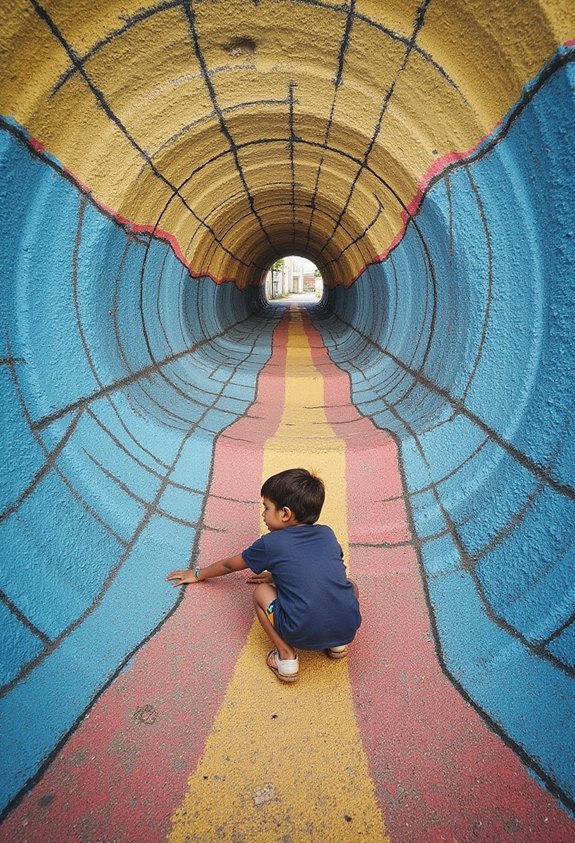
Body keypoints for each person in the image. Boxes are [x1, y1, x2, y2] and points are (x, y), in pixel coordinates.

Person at [167, 468, 361, 683]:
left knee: (261, 593)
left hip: (299, 630)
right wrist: (278, 575)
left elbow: (229, 565)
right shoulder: (327, 533)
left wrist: (198, 574)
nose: (263, 514)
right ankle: (337, 644)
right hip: (347, 626)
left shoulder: (271, 543)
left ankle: (286, 657)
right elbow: (319, 568)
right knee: (350, 584)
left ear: (285, 513)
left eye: (266, 508)